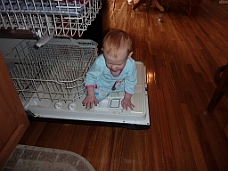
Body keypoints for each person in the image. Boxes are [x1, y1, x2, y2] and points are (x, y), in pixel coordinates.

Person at [82, 29, 137, 110]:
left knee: (131, 88)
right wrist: (91, 95)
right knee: (94, 97)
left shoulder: (131, 65)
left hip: (118, 83)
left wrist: (127, 98)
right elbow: (91, 77)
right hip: (102, 84)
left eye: (119, 64)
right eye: (110, 63)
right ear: (103, 52)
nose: (113, 67)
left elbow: (131, 81)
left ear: (129, 55)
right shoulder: (100, 62)